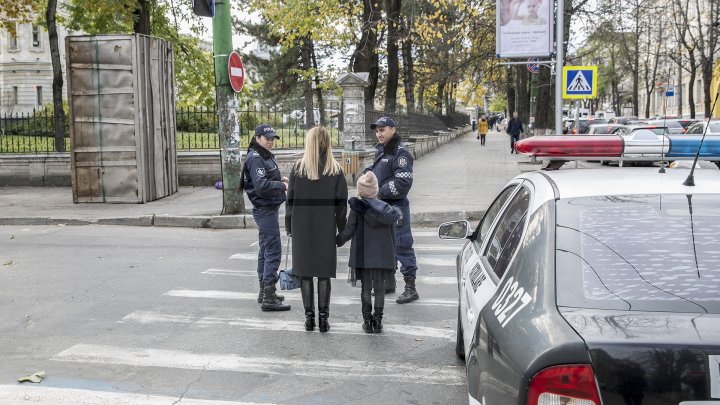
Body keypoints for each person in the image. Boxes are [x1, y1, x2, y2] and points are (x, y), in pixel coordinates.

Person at [285, 126, 348, 333]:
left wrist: (289, 226)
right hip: (325, 227)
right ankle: (323, 319)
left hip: (302, 226)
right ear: (327, 143)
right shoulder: (335, 170)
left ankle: (308, 319)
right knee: (323, 274)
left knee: (304, 273)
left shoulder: (298, 169)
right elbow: (341, 205)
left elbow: (290, 201)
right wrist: (341, 231)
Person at [336, 171, 402, 333]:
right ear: (376, 190)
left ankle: (367, 321)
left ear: (360, 191)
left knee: (365, 288)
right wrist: (393, 258)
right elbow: (394, 237)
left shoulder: (357, 209)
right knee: (379, 289)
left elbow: (348, 231)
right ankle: (378, 321)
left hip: (363, 255)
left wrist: (335, 240)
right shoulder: (388, 211)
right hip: (383, 255)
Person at [364, 117, 419, 304]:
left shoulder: (400, 153)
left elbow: (403, 183)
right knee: (385, 245)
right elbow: (378, 170)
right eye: (377, 130)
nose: (379, 134)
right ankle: (388, 283)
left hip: (396, 207)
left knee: (402, 245)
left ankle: (411, 288)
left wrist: (379, 191)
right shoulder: (382, 150)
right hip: (382, 207)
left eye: (383, 130)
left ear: (393, 130)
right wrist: (368, 173)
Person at [242, 124, 290, 312]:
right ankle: (269, 296)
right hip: (265, 209)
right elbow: (261, 186)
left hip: (267, 209)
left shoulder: (264, 156)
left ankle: (264, 291)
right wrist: (281, 185)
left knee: (265, 250)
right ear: (257, 138)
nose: (270, 141)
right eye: (267, 138)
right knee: (273, 250)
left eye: (272, 139)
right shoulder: (255, 158)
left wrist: (280, 181)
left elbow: (266, 180)